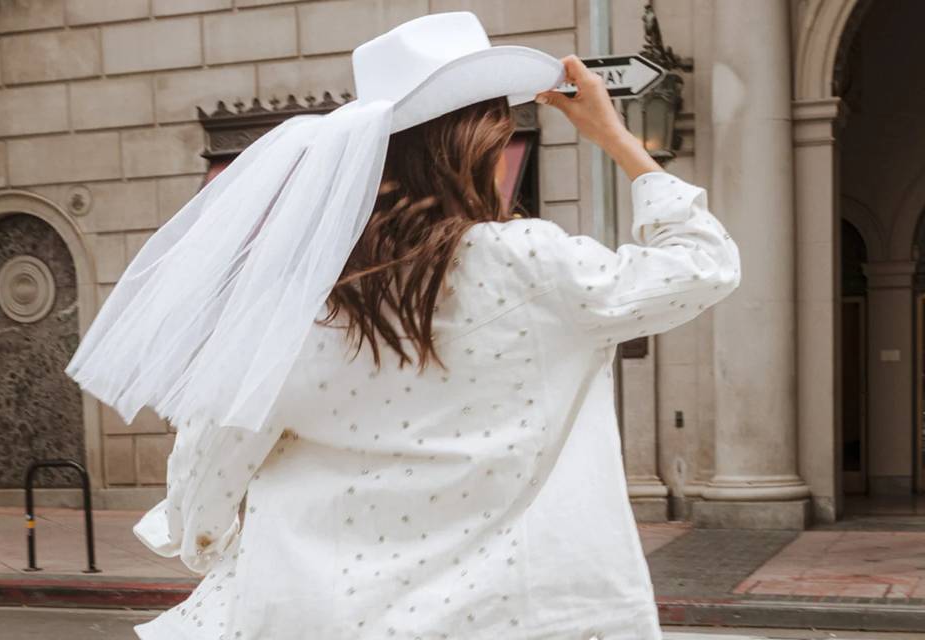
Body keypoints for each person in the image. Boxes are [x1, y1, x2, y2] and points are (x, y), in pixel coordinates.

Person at [65, 12, 739, 640]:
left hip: (321, 612)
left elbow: (214, 461)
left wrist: (207, 537)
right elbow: (703, 265)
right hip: (504, 616)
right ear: (479, 149)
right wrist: (615, 137)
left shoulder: (305, 300)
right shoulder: (534, 265)